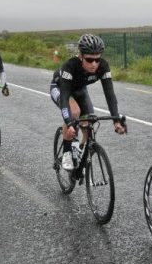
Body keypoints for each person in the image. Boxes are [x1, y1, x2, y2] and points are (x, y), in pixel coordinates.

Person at [50, 34, 125, 170]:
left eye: (97, 59)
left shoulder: (103, 66)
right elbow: (66, 96)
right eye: (89, 60)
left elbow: (109, 94)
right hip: (61, 89)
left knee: (89, 121)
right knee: (75, 112)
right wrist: (69, 123)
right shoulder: (70, 66)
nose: (94, 64)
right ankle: (67, 152)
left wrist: (116, 120)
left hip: (79, 90)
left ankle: (79, 149)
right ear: (81, 56)